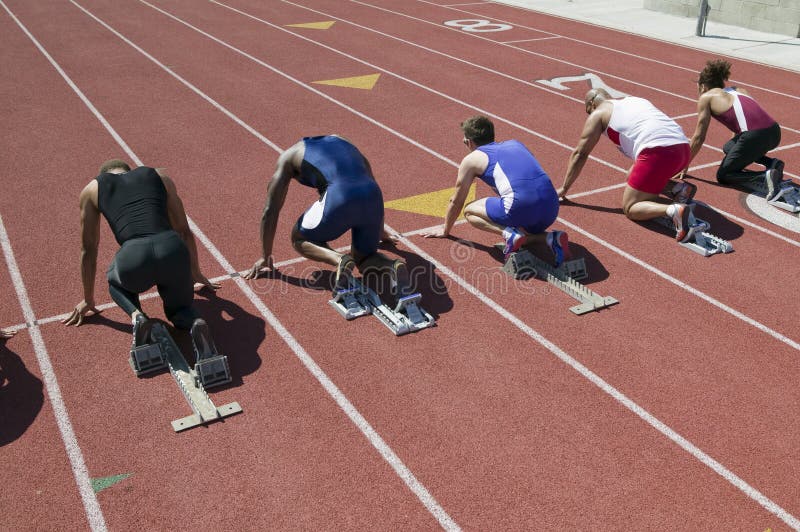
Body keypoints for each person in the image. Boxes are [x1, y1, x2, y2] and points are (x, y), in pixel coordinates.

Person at [63, 160, 220, 355]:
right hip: (172, 250)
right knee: (181, 310)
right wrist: (194, 271)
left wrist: (88, 298)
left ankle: (137, 316)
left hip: (134, 257)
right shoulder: (160, 176)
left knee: (115, 281)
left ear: (105, 174)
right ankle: (194, 322)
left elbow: (88, 248)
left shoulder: (93, 188)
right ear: (129, 170)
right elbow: (184, 230)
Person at [243, 135, 408, 294]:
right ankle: (392, 265)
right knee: (365, 258)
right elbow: (370, 177)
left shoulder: (288, 157)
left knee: (299, 238)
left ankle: (340, 260)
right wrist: (380, 231)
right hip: (373, 195)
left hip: (340, 197)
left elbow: (270, 211)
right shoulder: (342, 140)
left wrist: (265, 256)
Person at [423, 115, 570, 265]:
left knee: (469, 210)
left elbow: (457, 200)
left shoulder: (472, 159)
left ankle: (509, 234)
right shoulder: (516, 144)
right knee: (521, 217)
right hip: (552, 208)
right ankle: (550, 238)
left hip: (521, 207)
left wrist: (446, 229)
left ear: (468, 142)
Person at [558, 89, 696, 242]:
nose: (589, 115)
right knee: (632, 175)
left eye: (588, 111)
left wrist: (565, 188)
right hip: (683, 149)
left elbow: (580, 153)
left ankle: (674, 210)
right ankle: (678, 189)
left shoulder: (599, 114)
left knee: (631, 207)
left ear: (591, 104)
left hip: (659, 154)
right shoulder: (634, 99)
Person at [686, 59, 784, 199]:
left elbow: (699, 137)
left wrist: (685, 164)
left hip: (755, 135)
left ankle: (764, 176)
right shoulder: (738, 89)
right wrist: (736, 153)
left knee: (723, 175)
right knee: (729, 147)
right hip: (774, 132)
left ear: (702, 86)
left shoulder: (706, 97)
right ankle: (772, 163)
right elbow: (747, 117)